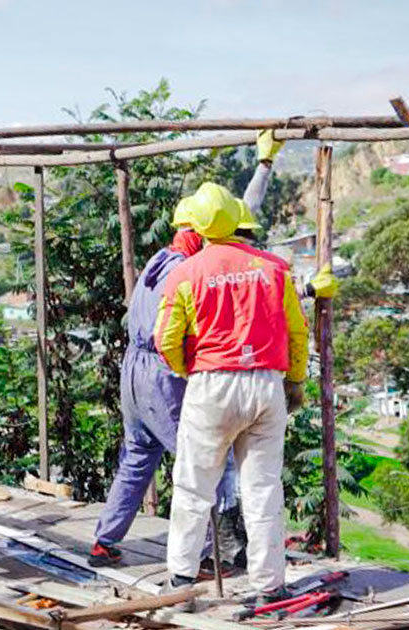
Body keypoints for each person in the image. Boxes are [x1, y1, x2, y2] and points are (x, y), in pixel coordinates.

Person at [155, 182, 310, 608]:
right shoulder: (275, 268)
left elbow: (166, 339)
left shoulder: (185, 272)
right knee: (262, 489)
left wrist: (189, 369)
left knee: (192, 488)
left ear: (197, 224)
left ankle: (180, 582)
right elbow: (297, 330)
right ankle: (269, 587)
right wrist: (294, 380)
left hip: (212, 384)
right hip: (266, 384)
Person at [88, 196, 243, 577]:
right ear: (198, 234)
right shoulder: (186, 271)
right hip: (161, 374)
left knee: (138, 458)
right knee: (203, 461)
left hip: (133, 372)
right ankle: (207, 554)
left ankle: (104, 541)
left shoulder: (158, 262)